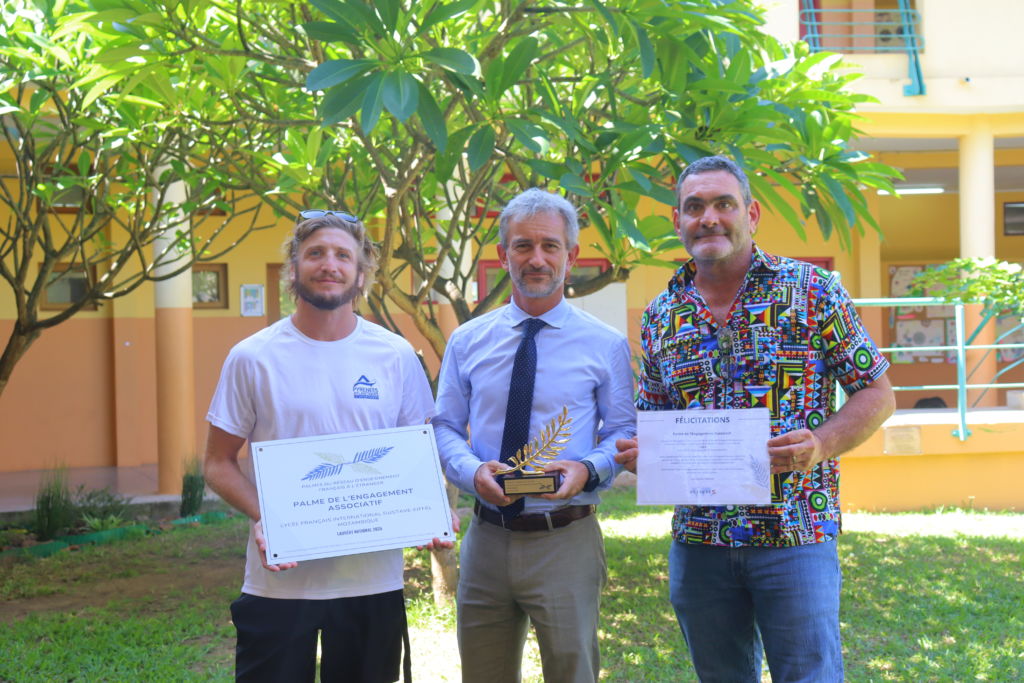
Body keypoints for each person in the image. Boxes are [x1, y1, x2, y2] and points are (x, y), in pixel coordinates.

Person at [615, 155, 895, 682]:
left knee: (808, 676)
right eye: (694, 207)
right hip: (700, 543)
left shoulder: (812, 291)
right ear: (677, 221)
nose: (709, 218)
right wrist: (642, 453)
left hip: (795, 535)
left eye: (724, 203)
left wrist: (821, 443)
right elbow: (653, 419)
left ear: (753, 213)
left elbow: (877, 393)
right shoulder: (660, 315)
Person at [204, 210, 449, 682]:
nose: (329, 264)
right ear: (293, 269)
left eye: (343, 255)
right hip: (279, 587)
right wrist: (267, 516)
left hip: (372, 585)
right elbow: (217, 463)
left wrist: (431, 511)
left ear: (361, 274)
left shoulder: (394, 354)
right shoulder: (253, 357)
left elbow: (419, 452)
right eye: (315, 253)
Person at [433, 188, 636, 683]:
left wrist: (588, 468)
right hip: (486, 540)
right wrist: (471, 470)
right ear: (504, 255)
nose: (537, 258)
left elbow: (623, 432)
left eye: (550, 246)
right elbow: (444, 426)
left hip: (565, 537)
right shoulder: (467, 340)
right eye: (522, 246)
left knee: (573, 673)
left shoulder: (606, 344)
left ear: (572, 256)